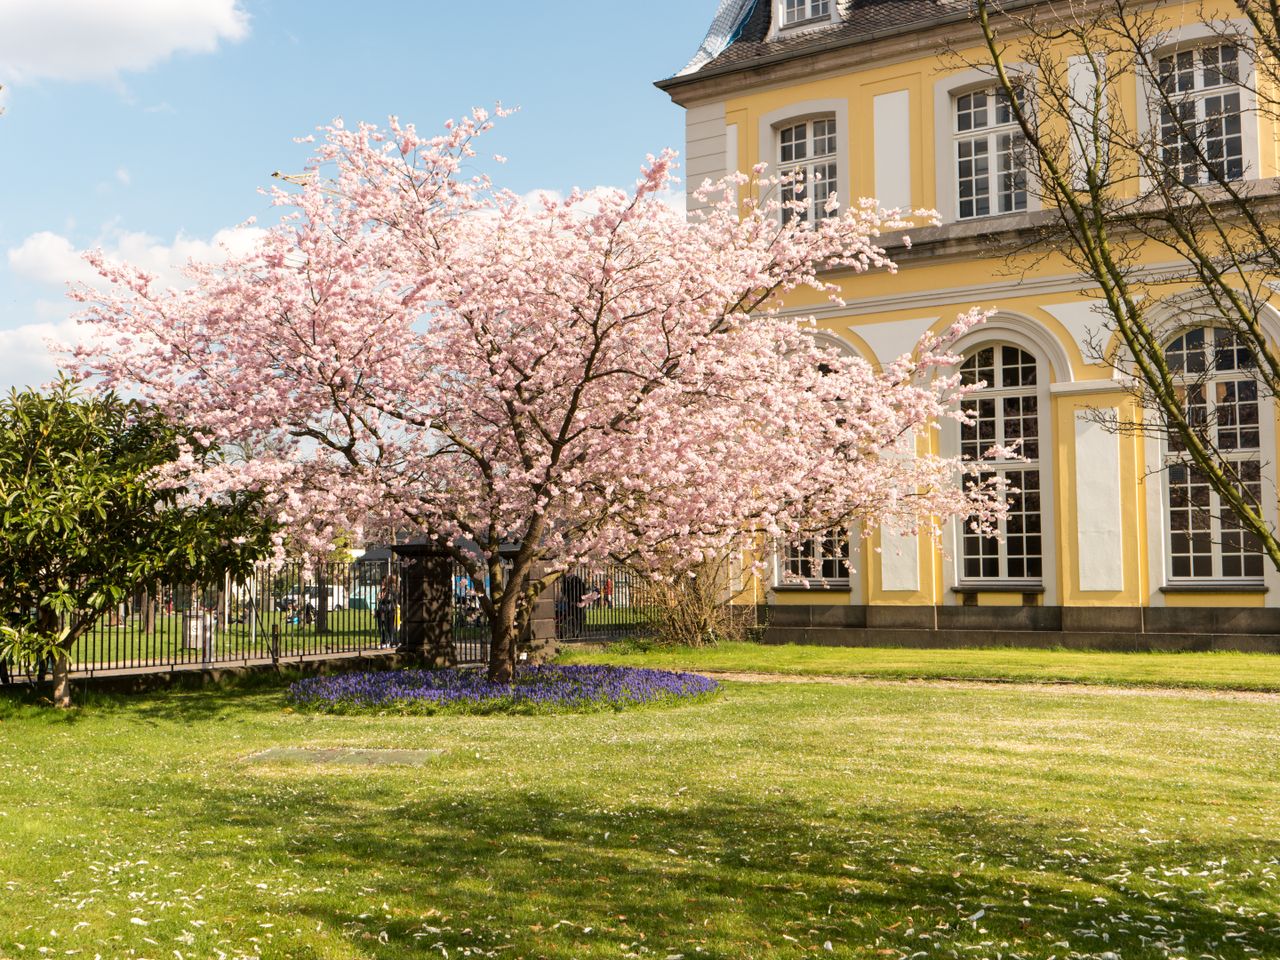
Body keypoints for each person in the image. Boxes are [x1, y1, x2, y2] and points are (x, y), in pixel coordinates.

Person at [376, 574, 397, 647]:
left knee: (389, 626)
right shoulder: (381, 590)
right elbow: (378, 599)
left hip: (389, 611)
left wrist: (382, 597)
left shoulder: (391, 589)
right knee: (381, 626)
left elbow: (389, 599)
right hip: (381, 611)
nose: (382, 582)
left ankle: (391, 641)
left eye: (383, 580)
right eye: (382, 580)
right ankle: (383, 641)